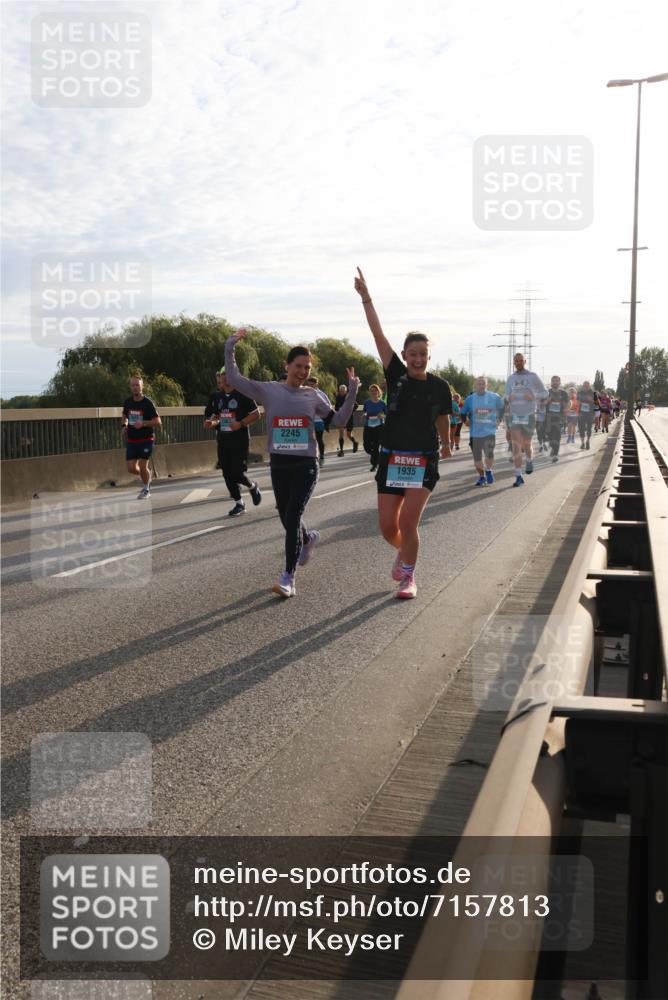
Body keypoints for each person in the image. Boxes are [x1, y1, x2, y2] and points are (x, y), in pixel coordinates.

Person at [225, 330, 359, 598]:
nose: (302, 371)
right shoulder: (268, 390)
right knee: (286, 517)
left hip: (306, 465)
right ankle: (308, 539)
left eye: (307, 368)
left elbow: (339, 421)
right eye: (298, 366)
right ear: (287, 366)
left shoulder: (314, 395)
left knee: (293, 514)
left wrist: (353, 391)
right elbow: (233, 379)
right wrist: (230, 347)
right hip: (279, 464)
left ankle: (288, 577)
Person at [354, 267, 452, 600]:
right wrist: (367, 298)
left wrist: (449, 444)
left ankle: (408, 577)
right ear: (405, 355)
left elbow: (442, 418)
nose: (418, 359)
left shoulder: (440, 386)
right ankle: (405, 553)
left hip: (423, 460)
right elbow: (377, 333)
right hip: (392, 458)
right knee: (387, 528)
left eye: (423, 354)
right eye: (413, 354)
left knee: (409, 524)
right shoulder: (395, 374)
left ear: (428, 355)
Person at [204, 368, 262, 517]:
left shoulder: (243, 393)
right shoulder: (217, 397)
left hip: (240, 440)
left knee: (237, 472)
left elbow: (256, 414)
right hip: (223, 440)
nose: (225, 377)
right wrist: (212, 422)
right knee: (226, 473)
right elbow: (217, 415)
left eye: (228, 375)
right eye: (223, 375)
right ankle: (239, 503)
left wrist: (241, 423)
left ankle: (252, 486)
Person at [504, 353, 547, 486]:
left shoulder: (532, 376)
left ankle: (529, 459)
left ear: (525, 361)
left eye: (520, 361)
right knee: (516, 445)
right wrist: (507, 398)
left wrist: (533, 395)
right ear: (513, 362)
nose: (518, 363)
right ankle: (518, 476)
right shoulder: (511, 378)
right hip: (514, 415)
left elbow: (545, 392)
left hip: (529, 415)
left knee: (526, 444)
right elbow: (505, 395)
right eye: (516, 361)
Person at [121, 375, 161, 498]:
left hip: (146, 440)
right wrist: (124, 425)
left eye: (137, 385)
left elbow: (158, 422)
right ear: (130, 387)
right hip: (132, 440)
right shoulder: (128, 402)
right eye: (133, 385)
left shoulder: (147, 403)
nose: (135, 387)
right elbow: (124, 416)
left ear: (142, 386)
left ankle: (146, 489)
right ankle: (147, 476)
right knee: (131, 468)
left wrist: (143, 423)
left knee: (143, 465)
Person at [460, 376, 505, 485]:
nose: (481, 385)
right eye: (479, 383)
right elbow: (463, 412)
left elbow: (502, 408)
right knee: (477, 458)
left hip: (489, 431)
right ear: (476, 385)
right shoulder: (470, 399)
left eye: (483, 383)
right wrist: (465, 421)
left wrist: (499, 419)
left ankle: (488, 470)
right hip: (475, 433)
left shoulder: (494, 397)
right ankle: (481, 476)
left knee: (489, 454)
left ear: (486, 385)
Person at [543, 375, 570, 462]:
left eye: (556, 381)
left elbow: (568, 404)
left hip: (559, 417)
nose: (555, 382)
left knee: (557, 436)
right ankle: (552, 447)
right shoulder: (546, 393)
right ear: (551, 382)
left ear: (559, 382)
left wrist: (566, 410)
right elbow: (541, 404)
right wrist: (547, 400)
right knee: (550, 436)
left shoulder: (564, 393)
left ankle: (555, 454)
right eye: (553, 381)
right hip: (548, 417)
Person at [305, 375, 329, 465]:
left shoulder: (322, 394)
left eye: (312, 384)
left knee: (319, 439)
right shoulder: (305, 393)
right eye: (309, 384)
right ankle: (312, 457)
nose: (310, 385)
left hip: (319, 421)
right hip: (308, 421)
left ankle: (322, 456)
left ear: (316, 384)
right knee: (309, 440)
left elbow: (328, 407)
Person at [362, 384, 387, 471]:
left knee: (376, 446)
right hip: (368, 426)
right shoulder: (367, 403)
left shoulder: (382, 403)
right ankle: (378, 457)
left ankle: (374, 465)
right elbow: (365, 412)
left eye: (375, 390)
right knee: (367, 446)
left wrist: (382, 416)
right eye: (371, 391)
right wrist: (364, 415)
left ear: (378, 392)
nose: (373, 392)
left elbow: (387, 414)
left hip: (379, 427)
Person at [334, 384, 359, 456]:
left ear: (346, 391)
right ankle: (341, 451)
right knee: (341, 433)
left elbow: (356, 405)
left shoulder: (349, 397)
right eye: (340, 390)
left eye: (343, 391)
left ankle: (355, 443)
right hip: (341, 418)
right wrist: (338, 411)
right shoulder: (338, 397)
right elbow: (336, 407)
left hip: (349, 418)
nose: (341, 392)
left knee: (348, 434)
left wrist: (350, 411)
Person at [577, 380, 596, 449]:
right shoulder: (580, 392)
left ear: (589, 385)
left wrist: (591, 400)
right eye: (584, 385)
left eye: (587, 385)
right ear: (583, 386)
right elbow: (577, 402)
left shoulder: (593, 393)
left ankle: (588, 441)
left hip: (590, 413)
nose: (585, 387)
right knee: (581, 428)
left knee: (589, 428)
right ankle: (582, 443)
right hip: (581, 413)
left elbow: (597, 404)